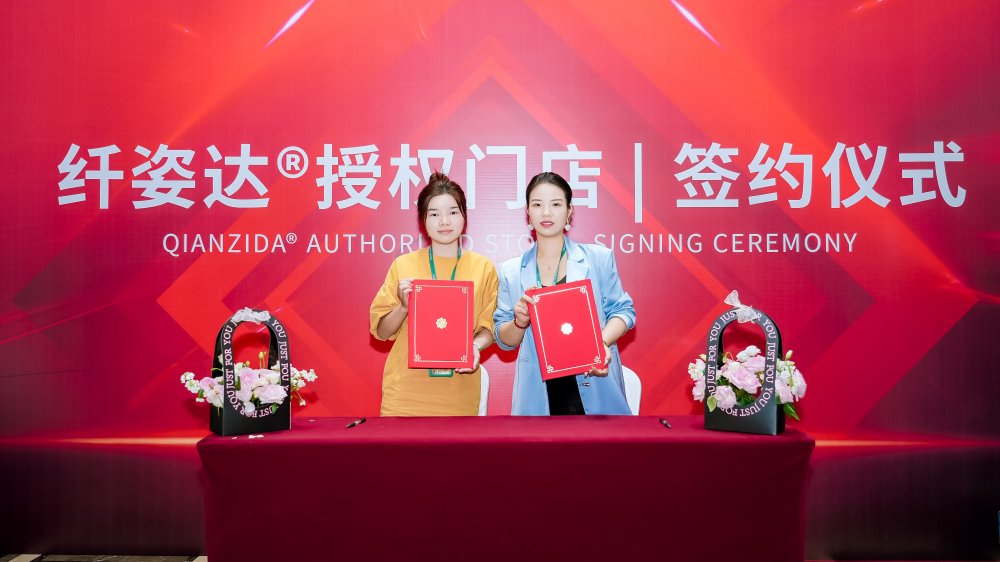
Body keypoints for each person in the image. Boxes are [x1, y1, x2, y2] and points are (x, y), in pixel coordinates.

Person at [494, 171, 636, 415]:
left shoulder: (598, 258)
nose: (546, 212)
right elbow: (504, 339)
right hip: (539, 394)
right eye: (537, 205)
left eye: (556, 204)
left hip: (595, 382)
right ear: (528, 212)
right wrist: (519, 322)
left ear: (569, 211)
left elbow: (624, 312)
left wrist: (599, 344)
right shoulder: (511, 271)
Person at [370, 172, 499, 416]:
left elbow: (489, 327)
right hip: (405, 396)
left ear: (464, 216)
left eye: (453, 212)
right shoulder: (403, 265)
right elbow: (382, 332)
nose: (444, 221)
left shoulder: (483, 268)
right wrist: (403, 307)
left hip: (459, 394)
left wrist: (474, 346)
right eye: (434, 214)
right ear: (423, 220)